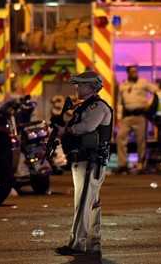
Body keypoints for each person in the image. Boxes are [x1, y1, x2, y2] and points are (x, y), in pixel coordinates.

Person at [54, 71, 113, 256]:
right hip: (83, 160)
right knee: (91, 203)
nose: (77, 88)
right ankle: (92, 243)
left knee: (82, 203)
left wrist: (67, 130)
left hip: (90, 161)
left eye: (79, 85)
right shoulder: (85, 106)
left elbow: (87, 127)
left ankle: (76, 244)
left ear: (88, 87)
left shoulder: (98, 106)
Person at [114, 66, 158, 174]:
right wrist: (119, 117)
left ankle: (140, 165)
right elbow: (119, 102)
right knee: (120, 137)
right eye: (132, 72)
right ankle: (122, 164)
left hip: (140, 116)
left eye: (136, 72)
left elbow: (156, 91)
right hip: (127, 116)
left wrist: (149, 103)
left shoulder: (143, 82)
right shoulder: (123, 85)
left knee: (141, 141)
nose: (135, 73)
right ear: (128, 73)